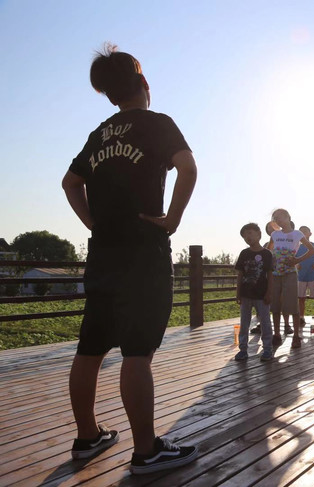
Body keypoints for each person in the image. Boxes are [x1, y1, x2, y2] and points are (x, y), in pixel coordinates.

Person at [61, 44, 197, 473]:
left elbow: (69, 182)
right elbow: (188, 167)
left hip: (102, 253)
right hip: (143, 250)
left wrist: (93, 223)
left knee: (90, 348)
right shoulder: (157, 123)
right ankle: (146, 451)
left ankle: (87, 437)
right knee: (137, 352)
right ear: (144, 84)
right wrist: (172, 220)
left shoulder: (100, 133)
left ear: (108, 95)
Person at [268, 209, 314, 348]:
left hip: (290, 273)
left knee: (293, 305)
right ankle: (277, 334)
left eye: (281, 217)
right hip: (276, 273)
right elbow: (269, 250)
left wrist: (297, 260)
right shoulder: (274, 234)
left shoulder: (297, 234)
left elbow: (312, 250)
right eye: (276, 218)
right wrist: (272, 261)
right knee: (275, 305)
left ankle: (296, 336)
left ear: (288, 217)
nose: (278, 220)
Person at [234, 223, 273, 362]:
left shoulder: (267, 254)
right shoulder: (244, 253)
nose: (247, 237)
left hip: (261, 294)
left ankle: (267, 349)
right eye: (244, 236)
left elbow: (270, 275)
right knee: (244, 322)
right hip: (246, 294)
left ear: (259, 234)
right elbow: (240, 274)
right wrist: (238, 293)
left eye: (250, 233)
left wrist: (269, 293)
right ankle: (243, 350)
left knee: (265, 322)